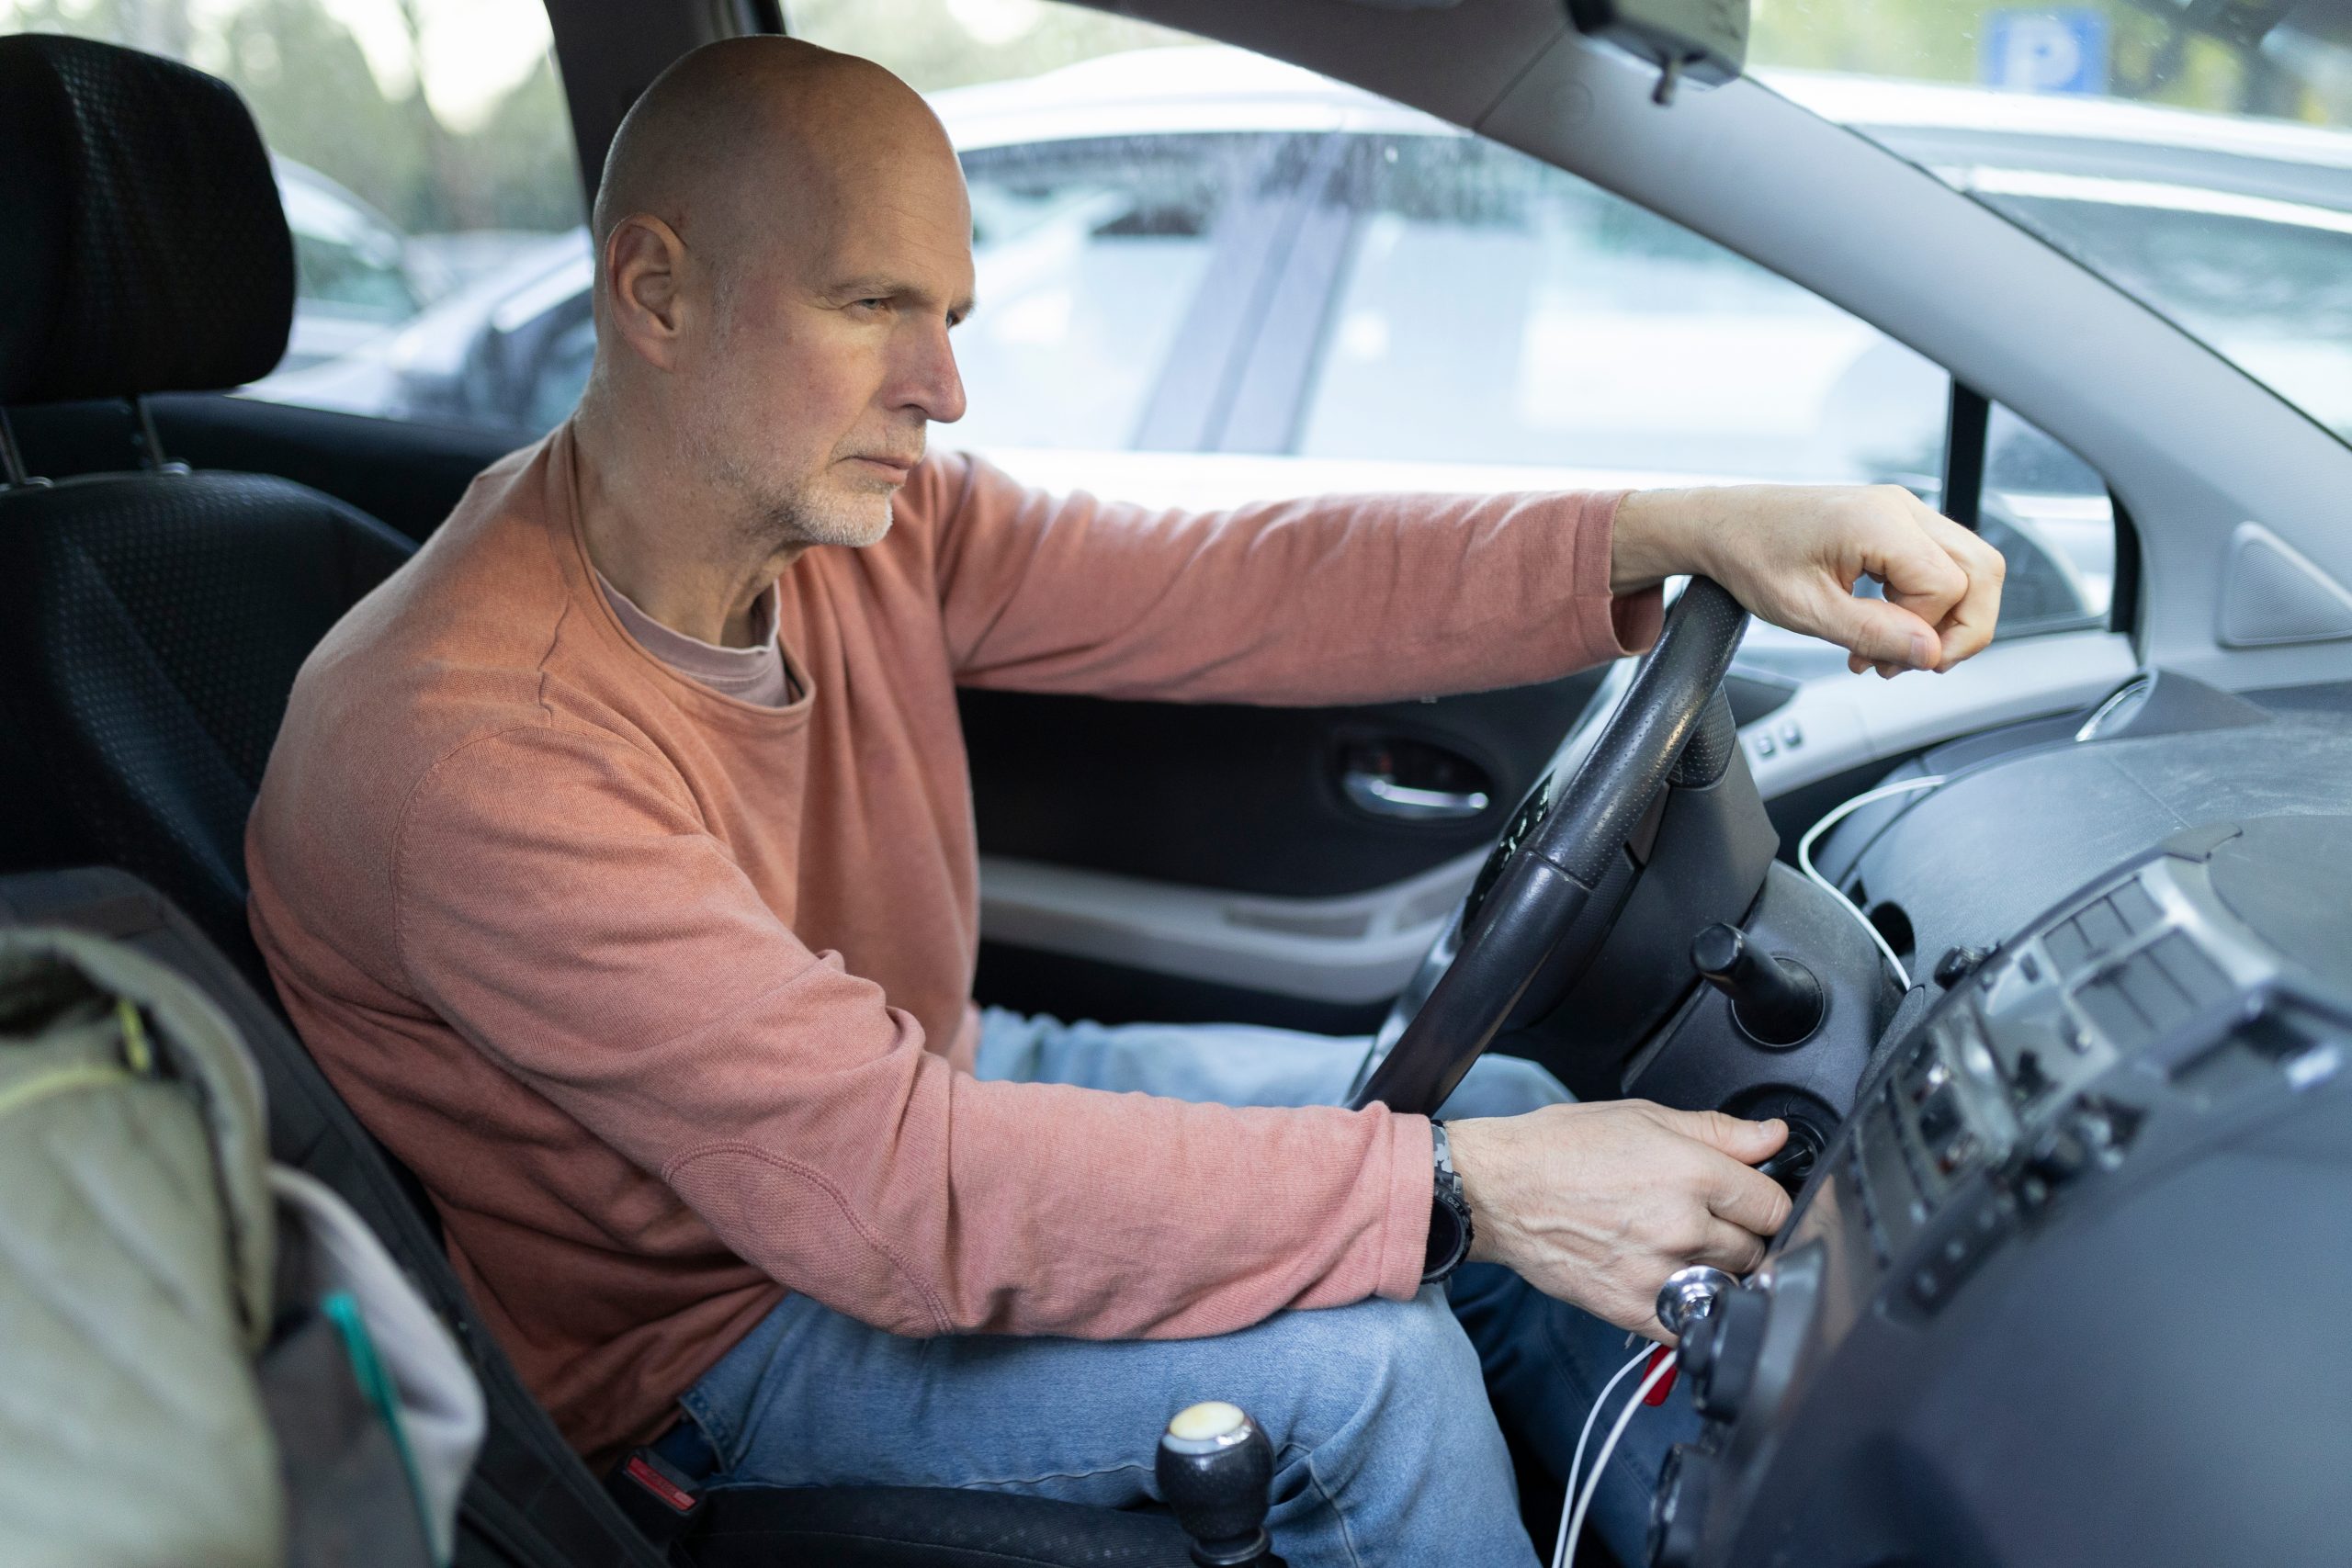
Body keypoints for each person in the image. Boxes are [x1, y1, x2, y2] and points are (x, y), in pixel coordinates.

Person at [246, 35, 2005, 1568]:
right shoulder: (474, 746)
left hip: (929, 1091)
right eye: (871, 306)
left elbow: (1248, 581)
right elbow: (900, 1188)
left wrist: (1690, 527)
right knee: (1375, 1375)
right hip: (716, 1345)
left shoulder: (847, 523)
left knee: (1511, 1106)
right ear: (653, 292)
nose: (942, 388)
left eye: (950, 317)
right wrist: (1464, 1192)